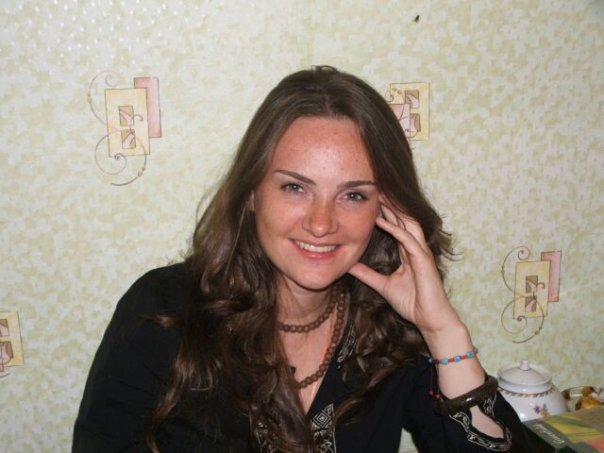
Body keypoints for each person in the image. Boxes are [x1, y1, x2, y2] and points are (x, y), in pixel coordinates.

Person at [73, 66, 530, 452]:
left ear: (385, 209)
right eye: (295, 187)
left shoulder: (390, 329)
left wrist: (442, 331)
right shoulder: (164, 313)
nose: (321, 223)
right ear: (252, 193)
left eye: (353, 195)